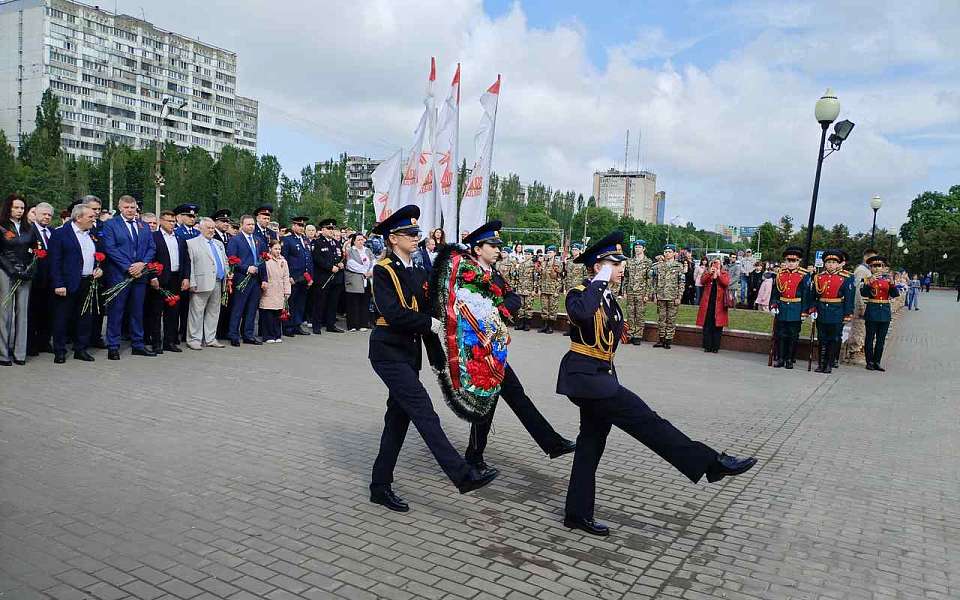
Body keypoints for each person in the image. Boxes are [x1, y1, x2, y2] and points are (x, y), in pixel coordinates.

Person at [559, 231, 756, 536]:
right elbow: (582, 313)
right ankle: (710, 462)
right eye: (615, 263)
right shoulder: (580, 292)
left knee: (591, 444)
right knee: (648, 422)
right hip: (586, 380)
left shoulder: (607, 296)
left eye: (621, 263)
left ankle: (576, 513)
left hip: (601, 378)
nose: (622, 267)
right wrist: (600, 280)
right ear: (598, 266)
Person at [368, 205, 499, 513]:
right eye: (410, 233)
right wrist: (429, 323)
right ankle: (462, 475)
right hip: (388, 352)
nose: (416, 237)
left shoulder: (416, 269)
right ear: (393, 238)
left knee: (397, 421)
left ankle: (380, 485)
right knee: (423, 411)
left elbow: (432, 309)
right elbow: (394, 313)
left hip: (408, 353)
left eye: (417, 232)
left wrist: (444, 351)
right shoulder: (384, 270)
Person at [460, 221, 576, 472]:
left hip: (495, 349)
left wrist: (498, 310)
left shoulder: (494, 274)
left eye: (498, 246)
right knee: (487, 403)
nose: (497, 250)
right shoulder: (467, 276)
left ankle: (551, 443)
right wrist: (490, 313)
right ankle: (474, 458)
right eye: (492, 245)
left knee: (514, 396)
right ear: (477, 249)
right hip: (478, 351)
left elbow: (512, 298)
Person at [101, 195, 156, 360]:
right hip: (119, 275)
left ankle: (138, 344)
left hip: (140, 275)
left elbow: (151, 248)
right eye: (126, 207)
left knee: (137, 311)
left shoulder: (143, 225)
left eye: (132, 207)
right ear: (120, 208)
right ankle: (113, 346)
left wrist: (142, 264)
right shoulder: (111, 224)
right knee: (116, 311)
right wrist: (129, 267)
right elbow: (110, 248)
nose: (130, 210)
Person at [49, 203, 102, 364]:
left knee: (85, 317)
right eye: (90, 217)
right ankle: (59, 350)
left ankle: (81, 349)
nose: (94, 219)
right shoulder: (61, 234)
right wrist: (58, 283)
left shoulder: (93, 234)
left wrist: (99, 268)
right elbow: (55, 261)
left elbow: (100, 254)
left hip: (88, 281)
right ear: (78, 218)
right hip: (67, 283)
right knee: (62, 317)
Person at [0, 193, 40, 366]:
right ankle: (3, 353)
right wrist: (12, 270)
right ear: (8, 208)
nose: (19, 210)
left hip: (25, 272)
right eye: (15, 207)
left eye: (22, 208)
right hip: (5, 272)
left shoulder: (29, 228)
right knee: (5, 313)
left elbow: (36, 250)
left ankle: (20, 353)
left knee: (22, 312)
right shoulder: (1, 226)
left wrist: (30, 268)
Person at [146, 210, 190, 354]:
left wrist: (186, 277)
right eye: (169, 221)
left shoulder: (179, 238)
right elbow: (150, 258)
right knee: (156, 312)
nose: (172, 224)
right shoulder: (154, 237)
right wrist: (152, 276)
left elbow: (186, 260)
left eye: (173, 221)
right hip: (160, 279)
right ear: (161, 221)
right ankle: (156, 343)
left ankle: (169, 342)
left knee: (173, 312)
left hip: (176, 278)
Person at [807, 250, 854, 373]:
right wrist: (813, 308)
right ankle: (821, 363)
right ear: (824, 263)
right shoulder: (819, 277)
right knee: (822, 338)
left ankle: (829, 364)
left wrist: (847, 314)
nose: (831, 265)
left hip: (837, 311)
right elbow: (813, 296)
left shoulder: (845, 278)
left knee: (833, 338)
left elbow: (849, 298)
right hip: (822, 310)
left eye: (833, 262)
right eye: (828, 262)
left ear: (838, 264)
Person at [225, 215, 266, 346]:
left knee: (252, 308)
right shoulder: (235, 240)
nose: (251, 227)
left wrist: (264, 279)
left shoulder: (258, 240)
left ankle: (248, 334)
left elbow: (263, 260)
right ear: (242, 225)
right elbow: (231, 259)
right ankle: (233, 334)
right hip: (241, 278)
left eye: (253, 224)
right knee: (238, 308)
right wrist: (246, 268)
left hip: (256, 280)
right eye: (248, 224)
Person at [770, 247, 807, 369]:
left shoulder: (804, 275)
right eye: (788, 261)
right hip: (782, 307)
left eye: (794, 261)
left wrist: (804, 312)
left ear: (798, 261)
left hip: (796, 308)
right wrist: (774, 305)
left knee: (793, 335)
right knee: (780, 334)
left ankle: (790, 359)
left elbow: (806, 295)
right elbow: (775, 293)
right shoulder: (780, 274)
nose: (791, 263)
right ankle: (780, 358)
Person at [861, 256, 899, 371]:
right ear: (871, 268)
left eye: (880, 266)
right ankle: (869, 361)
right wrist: (870, 282)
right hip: (872, 311)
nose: (877, 268)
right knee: (869, 338)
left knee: (881, 339)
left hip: (885, 312)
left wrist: (892, 284)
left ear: (883, 267)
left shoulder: (887, 280)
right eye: (875, 266)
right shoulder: (867, 279)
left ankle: (877, 361)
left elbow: (895, 294)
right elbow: (863, 293)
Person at [27, 202, 55, 356]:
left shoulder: (52, 232)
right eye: (44, 214)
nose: (46, 217)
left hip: (51, 279)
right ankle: (31, 344)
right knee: (33, 312)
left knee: (48, 311)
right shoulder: (29, 231)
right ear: (36, 214)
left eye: (49, 215)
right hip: (35, 278)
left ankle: (44, 341)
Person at [311, 218, 346, 334]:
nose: (331, 230)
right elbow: (317, 259)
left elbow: (340, 257)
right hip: (323, 278)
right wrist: (330, 267)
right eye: (329, 228)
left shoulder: (336, 243)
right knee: (320, 302)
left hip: (336, 278)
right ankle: (316, 325)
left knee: (333, 303)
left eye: (333, 228)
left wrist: (341, 264)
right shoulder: (317, 242)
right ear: (323, 230)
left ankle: (331, 324)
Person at [281, 216, 314, 337]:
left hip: (305, 277)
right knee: (291, 302)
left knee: (300, 302)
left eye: (302, 226)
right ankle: (288, 326)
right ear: (293, 226)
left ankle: (297, 324)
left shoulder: (305, 240)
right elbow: (284, 259)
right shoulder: (287, 240)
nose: (301, 227)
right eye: (299, 225)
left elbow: (309, 258)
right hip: (293, 277)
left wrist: (311, 277)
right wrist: (288, 276)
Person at [258, 239, 290, 344]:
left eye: (279, 249)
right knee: (268, 314)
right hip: (269, 289)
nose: (278, 251)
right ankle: (268, 336)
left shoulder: (283, 261)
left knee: (278, 314)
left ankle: (277, 335)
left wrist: (287, 290)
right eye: (275, 249)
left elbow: (286, 277)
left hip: (280, 290)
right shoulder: (265, 259)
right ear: (270, 249)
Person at [847, 248, 876, 361]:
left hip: (866, 304)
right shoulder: (861, 270)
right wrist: (860, 306)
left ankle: (857, 349)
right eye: (872, 258)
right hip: (860, 304)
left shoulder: (867, 270)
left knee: (862, 328)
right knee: (858, 328)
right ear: (865, 257)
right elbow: (858, 289)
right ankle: (853, 351)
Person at [652, 244, 684, 349]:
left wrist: (679, 296)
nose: (667, 254)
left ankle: (668, 340)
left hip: (672, 296)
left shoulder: (678, 266)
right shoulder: (659, 266)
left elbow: (681, 282)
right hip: (661, 295)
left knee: (671, 319)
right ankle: (661, 339)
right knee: (661, 319)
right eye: (665, 252)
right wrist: (655, 295)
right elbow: (655, 281)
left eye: (669, 252)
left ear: (674, 253)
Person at [622, 240, 652, 345]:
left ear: (644, 249)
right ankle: (630, 334)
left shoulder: (648, 262)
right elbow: (626, 277)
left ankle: (638, 336)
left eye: (639, 247)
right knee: (630, 314)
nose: (637, 249)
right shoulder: (630, 261)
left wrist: (647, 294)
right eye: (636, 247)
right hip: (630, 291)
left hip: (641, 292)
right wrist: (624, 291)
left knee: (639, 314)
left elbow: (649, 279)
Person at [697, 258, 730, 353]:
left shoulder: (724, 273)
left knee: (718, 325)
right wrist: (709, 273)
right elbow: (702, 281)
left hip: (719, 304)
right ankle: (707, 346)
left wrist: (719, 275)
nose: (716, 265)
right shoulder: (707, 272)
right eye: (714, 263)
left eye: (718, 263)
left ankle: (715, 347)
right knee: (707, 324)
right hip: (708, 303)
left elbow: (726, 283)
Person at [345, 232, 374, 331]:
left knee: (364, 302)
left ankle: (363, 324)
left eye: (362, 240)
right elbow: (350, 264)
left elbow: (373, 261)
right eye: (358, 240)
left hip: (367, 279)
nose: (361, 242)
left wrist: (370, 271)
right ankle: (353, 325)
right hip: (355, 279)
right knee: (353, 302)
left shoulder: (367, 250)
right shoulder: (350, 251)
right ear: (354, 241)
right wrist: (364, 271)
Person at [538, 246, 562, 333]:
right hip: (544, 288)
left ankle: (550, 326)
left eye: (551, 252)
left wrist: (557, 290)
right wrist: (539, 288)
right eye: (548, 252)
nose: (549, 254)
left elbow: (559, 277)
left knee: (552, 308)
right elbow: (540, 276)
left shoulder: (558, 263)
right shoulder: (544, 263)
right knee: (544, 308)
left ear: (555, 253)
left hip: (553, 289)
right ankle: (545, 325)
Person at [515, 248, 536, 330]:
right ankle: (521, 323)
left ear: (532, 255)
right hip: (521, 288)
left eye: (528, 254)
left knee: (528, 306)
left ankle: (527, 324)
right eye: (526, 254)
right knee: (521, 306)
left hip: (529, 289)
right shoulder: (521, 264)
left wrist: (534, 289)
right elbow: (518, 276)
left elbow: (536, 278)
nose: (526, 255)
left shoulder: (533, 265)